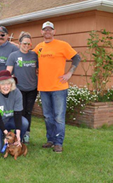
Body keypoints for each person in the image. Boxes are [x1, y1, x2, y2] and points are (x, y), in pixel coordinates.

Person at [33, 21, 81, 153]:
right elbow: (30, 56)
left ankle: (58, 143)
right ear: (41, 32)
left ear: (54, 31)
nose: (47, 31)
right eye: (45, 29)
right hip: (43, 87)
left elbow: (77, 58)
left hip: (59, 88)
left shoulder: (62, 45)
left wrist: (70, 73)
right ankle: (51, 140)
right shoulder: (39, 47)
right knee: (48, 116)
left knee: (59, 117)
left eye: (50, 29)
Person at [0, 70, 29, 152]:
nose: (6, 86)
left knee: (24, 122)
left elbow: (18, 113)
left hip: (8, 120)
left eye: (8, 84)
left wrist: (17, 134)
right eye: (3, 84)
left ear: (12, 84)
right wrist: (7, 134)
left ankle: (16, 142)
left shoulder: (17, 92)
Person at [6, 31, 38, 144]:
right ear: (20, 43)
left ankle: (26, 134)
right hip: (18, 89)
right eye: (24, 43)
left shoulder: (34, 55)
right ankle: (16, 134)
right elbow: (8, 71)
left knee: (28, 112)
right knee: (19, 111)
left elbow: (39, 70)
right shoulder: (13, 56)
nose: (26, 46)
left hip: (32, 89)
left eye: (28, 44)